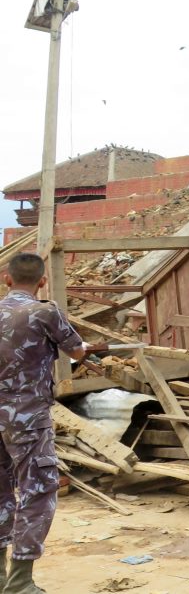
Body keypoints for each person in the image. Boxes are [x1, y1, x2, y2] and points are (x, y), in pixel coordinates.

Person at [0, 252, 85, 593]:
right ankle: (20, 582)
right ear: (42, 281)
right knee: (37, 491)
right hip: (27, 420)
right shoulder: (44, 311)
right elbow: (77, 351)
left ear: (7, 279)